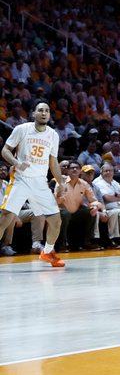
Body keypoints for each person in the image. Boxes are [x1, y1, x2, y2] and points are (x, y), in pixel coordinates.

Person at [0, 100, 66, 266]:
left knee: (56, 221)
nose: (44, 113)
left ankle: (47, 252)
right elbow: (5, 150)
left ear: (49, 115)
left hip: (40, 183)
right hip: (21, 179)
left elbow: (53, 162)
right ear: (34, 114)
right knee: (5, 217)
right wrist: (16, 163)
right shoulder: (22, 129)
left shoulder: (53, 135)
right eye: (40, 110)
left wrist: (60, 182)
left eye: (47, 111)